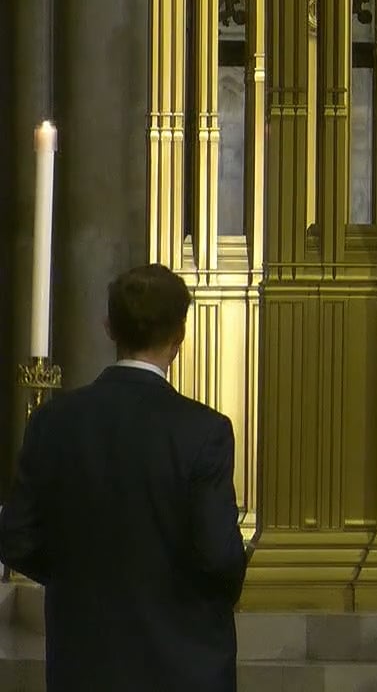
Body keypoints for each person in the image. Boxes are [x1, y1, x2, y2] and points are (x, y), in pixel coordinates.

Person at [0, 263, 248, 691]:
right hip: (184, 665)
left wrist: (78, 574)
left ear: (108, 327)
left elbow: (16, 539)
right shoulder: (203, 430)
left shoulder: (52, 422)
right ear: (180, 336)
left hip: (85, 661)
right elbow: (219, 557)